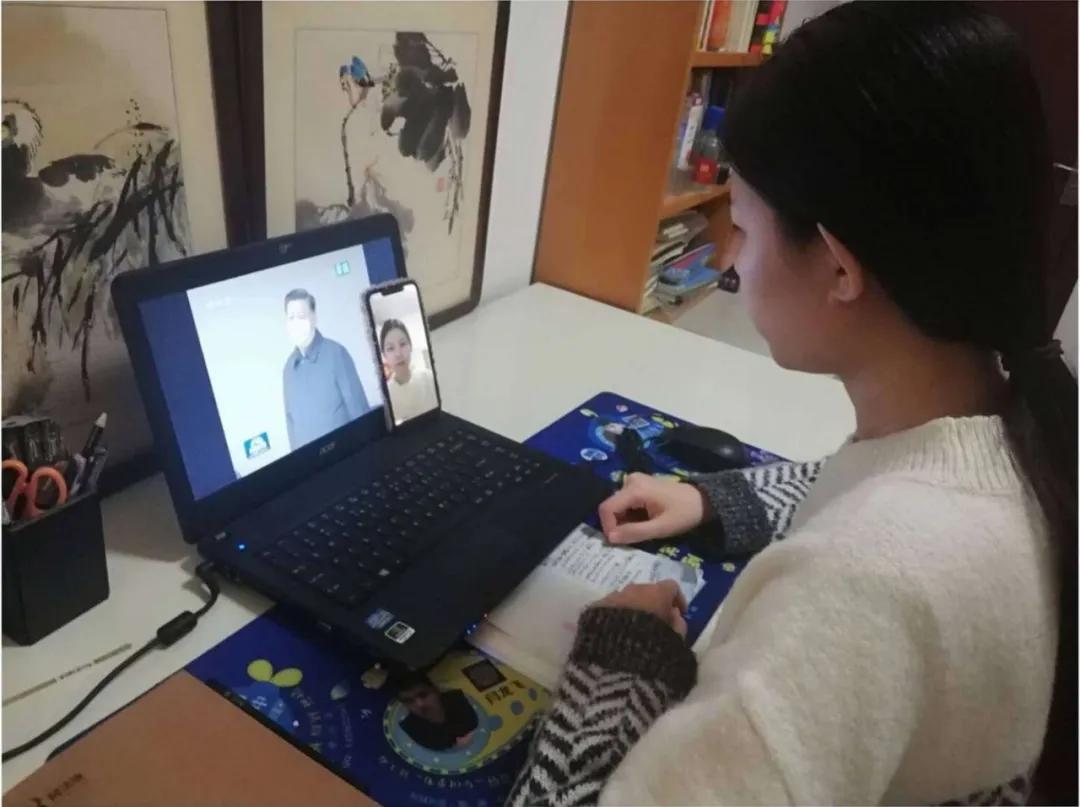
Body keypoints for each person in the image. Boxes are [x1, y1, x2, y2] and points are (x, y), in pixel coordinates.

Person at [509, 4, 1076, 805]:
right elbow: (868, 490)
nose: (732, 263)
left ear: (840, 267)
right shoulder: (1025, 427)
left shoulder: (852, 592)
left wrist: (622, 652)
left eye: (741, 227)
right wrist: (714, 499)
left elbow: (873, 561)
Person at [282, 288, 369, 450]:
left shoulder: (337, 353)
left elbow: (360, 413)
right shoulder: (288, 370)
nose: (296, 323)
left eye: (301, 316)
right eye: (291, 318)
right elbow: (291, 426)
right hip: (310, 463)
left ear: (314, 317)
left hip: (347, 454)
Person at [393, 671, 478, 751]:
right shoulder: (412, 728)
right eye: (409, 701)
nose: (420, 704)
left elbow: (472, 724)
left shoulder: (457, 701)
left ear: (436, 691)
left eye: (423, 695)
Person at [380, 319, 437, 423]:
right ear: (384, 356)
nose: (398, 354)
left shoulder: (429, 378)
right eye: (390, 348)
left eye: (402, 344)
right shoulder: (386, 397)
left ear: (410, 346)